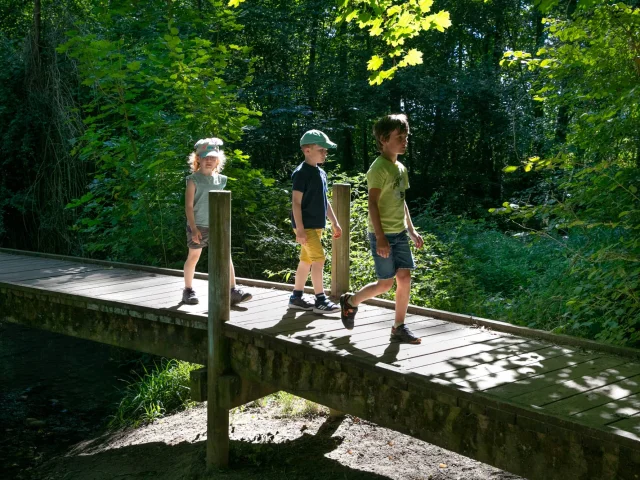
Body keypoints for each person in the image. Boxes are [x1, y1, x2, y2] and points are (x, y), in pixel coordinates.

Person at [339, 114, 424, 344]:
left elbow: (400, 200)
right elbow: (372, 203)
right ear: (384, 139)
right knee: (385, 284)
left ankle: (398, 327)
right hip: (382, 235)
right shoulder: (378, 168)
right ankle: (350, 302)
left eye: (406, 136)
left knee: (404, 278)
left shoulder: (401, 168)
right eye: (400, 137)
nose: (405, 141)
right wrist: (380, 237)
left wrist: (411, 229)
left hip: (399, 233)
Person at [182, 138, 252, 306]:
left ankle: (232, 290)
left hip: (217, 225)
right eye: (205, 157)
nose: (209, 161)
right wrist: (193, 228)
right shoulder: (193, 180)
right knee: (194, 256)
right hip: (198, 226)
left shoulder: (221, 180)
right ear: (197, 159)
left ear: (218, 160)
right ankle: (188, 290)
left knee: (226, 256)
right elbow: (189, 206)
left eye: (212, 158)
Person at [288, 129, 343, 314]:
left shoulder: (321, 173)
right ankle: (320, 300)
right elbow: (296, 202)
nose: (325, 153)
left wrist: (334, 222)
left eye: (326, 150)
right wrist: (300, 229)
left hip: (316, 225)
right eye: (321, 149)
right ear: (307, 150)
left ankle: (296, 297)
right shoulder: (301, 173)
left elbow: (324, 200)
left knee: (306, 261)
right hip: (305, 226)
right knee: (319, 259)